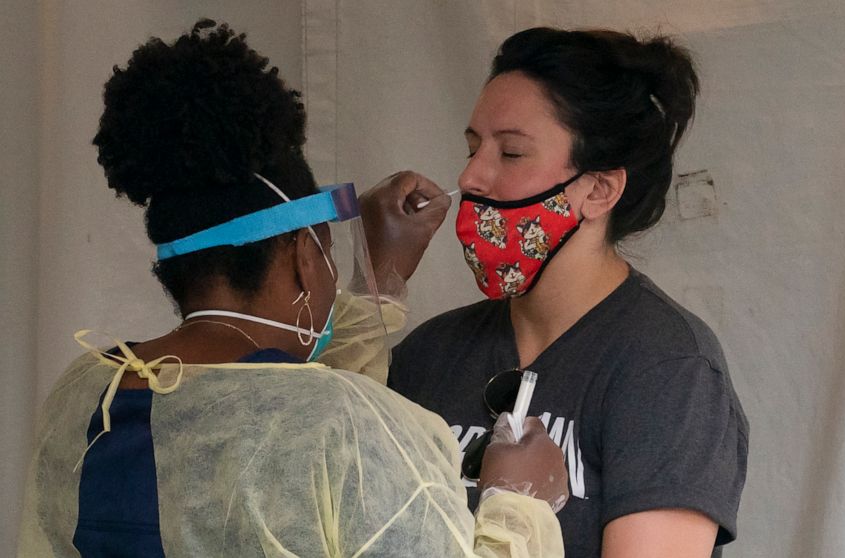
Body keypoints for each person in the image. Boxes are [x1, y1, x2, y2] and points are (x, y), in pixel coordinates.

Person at [17, 20, 568, 557]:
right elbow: (317, 424)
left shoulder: (85, 398)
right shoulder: (351, 428)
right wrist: (517, 507)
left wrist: (381, 280)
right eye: (327, 252)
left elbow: (284, 404)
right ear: (306, 257)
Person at [388, 27, 748, 557]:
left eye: (510, 153)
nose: (470, 177)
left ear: (598, 190)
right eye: (471, 149)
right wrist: (373, 283)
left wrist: (520, 513)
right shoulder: (430, 353)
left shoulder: (669, 371)